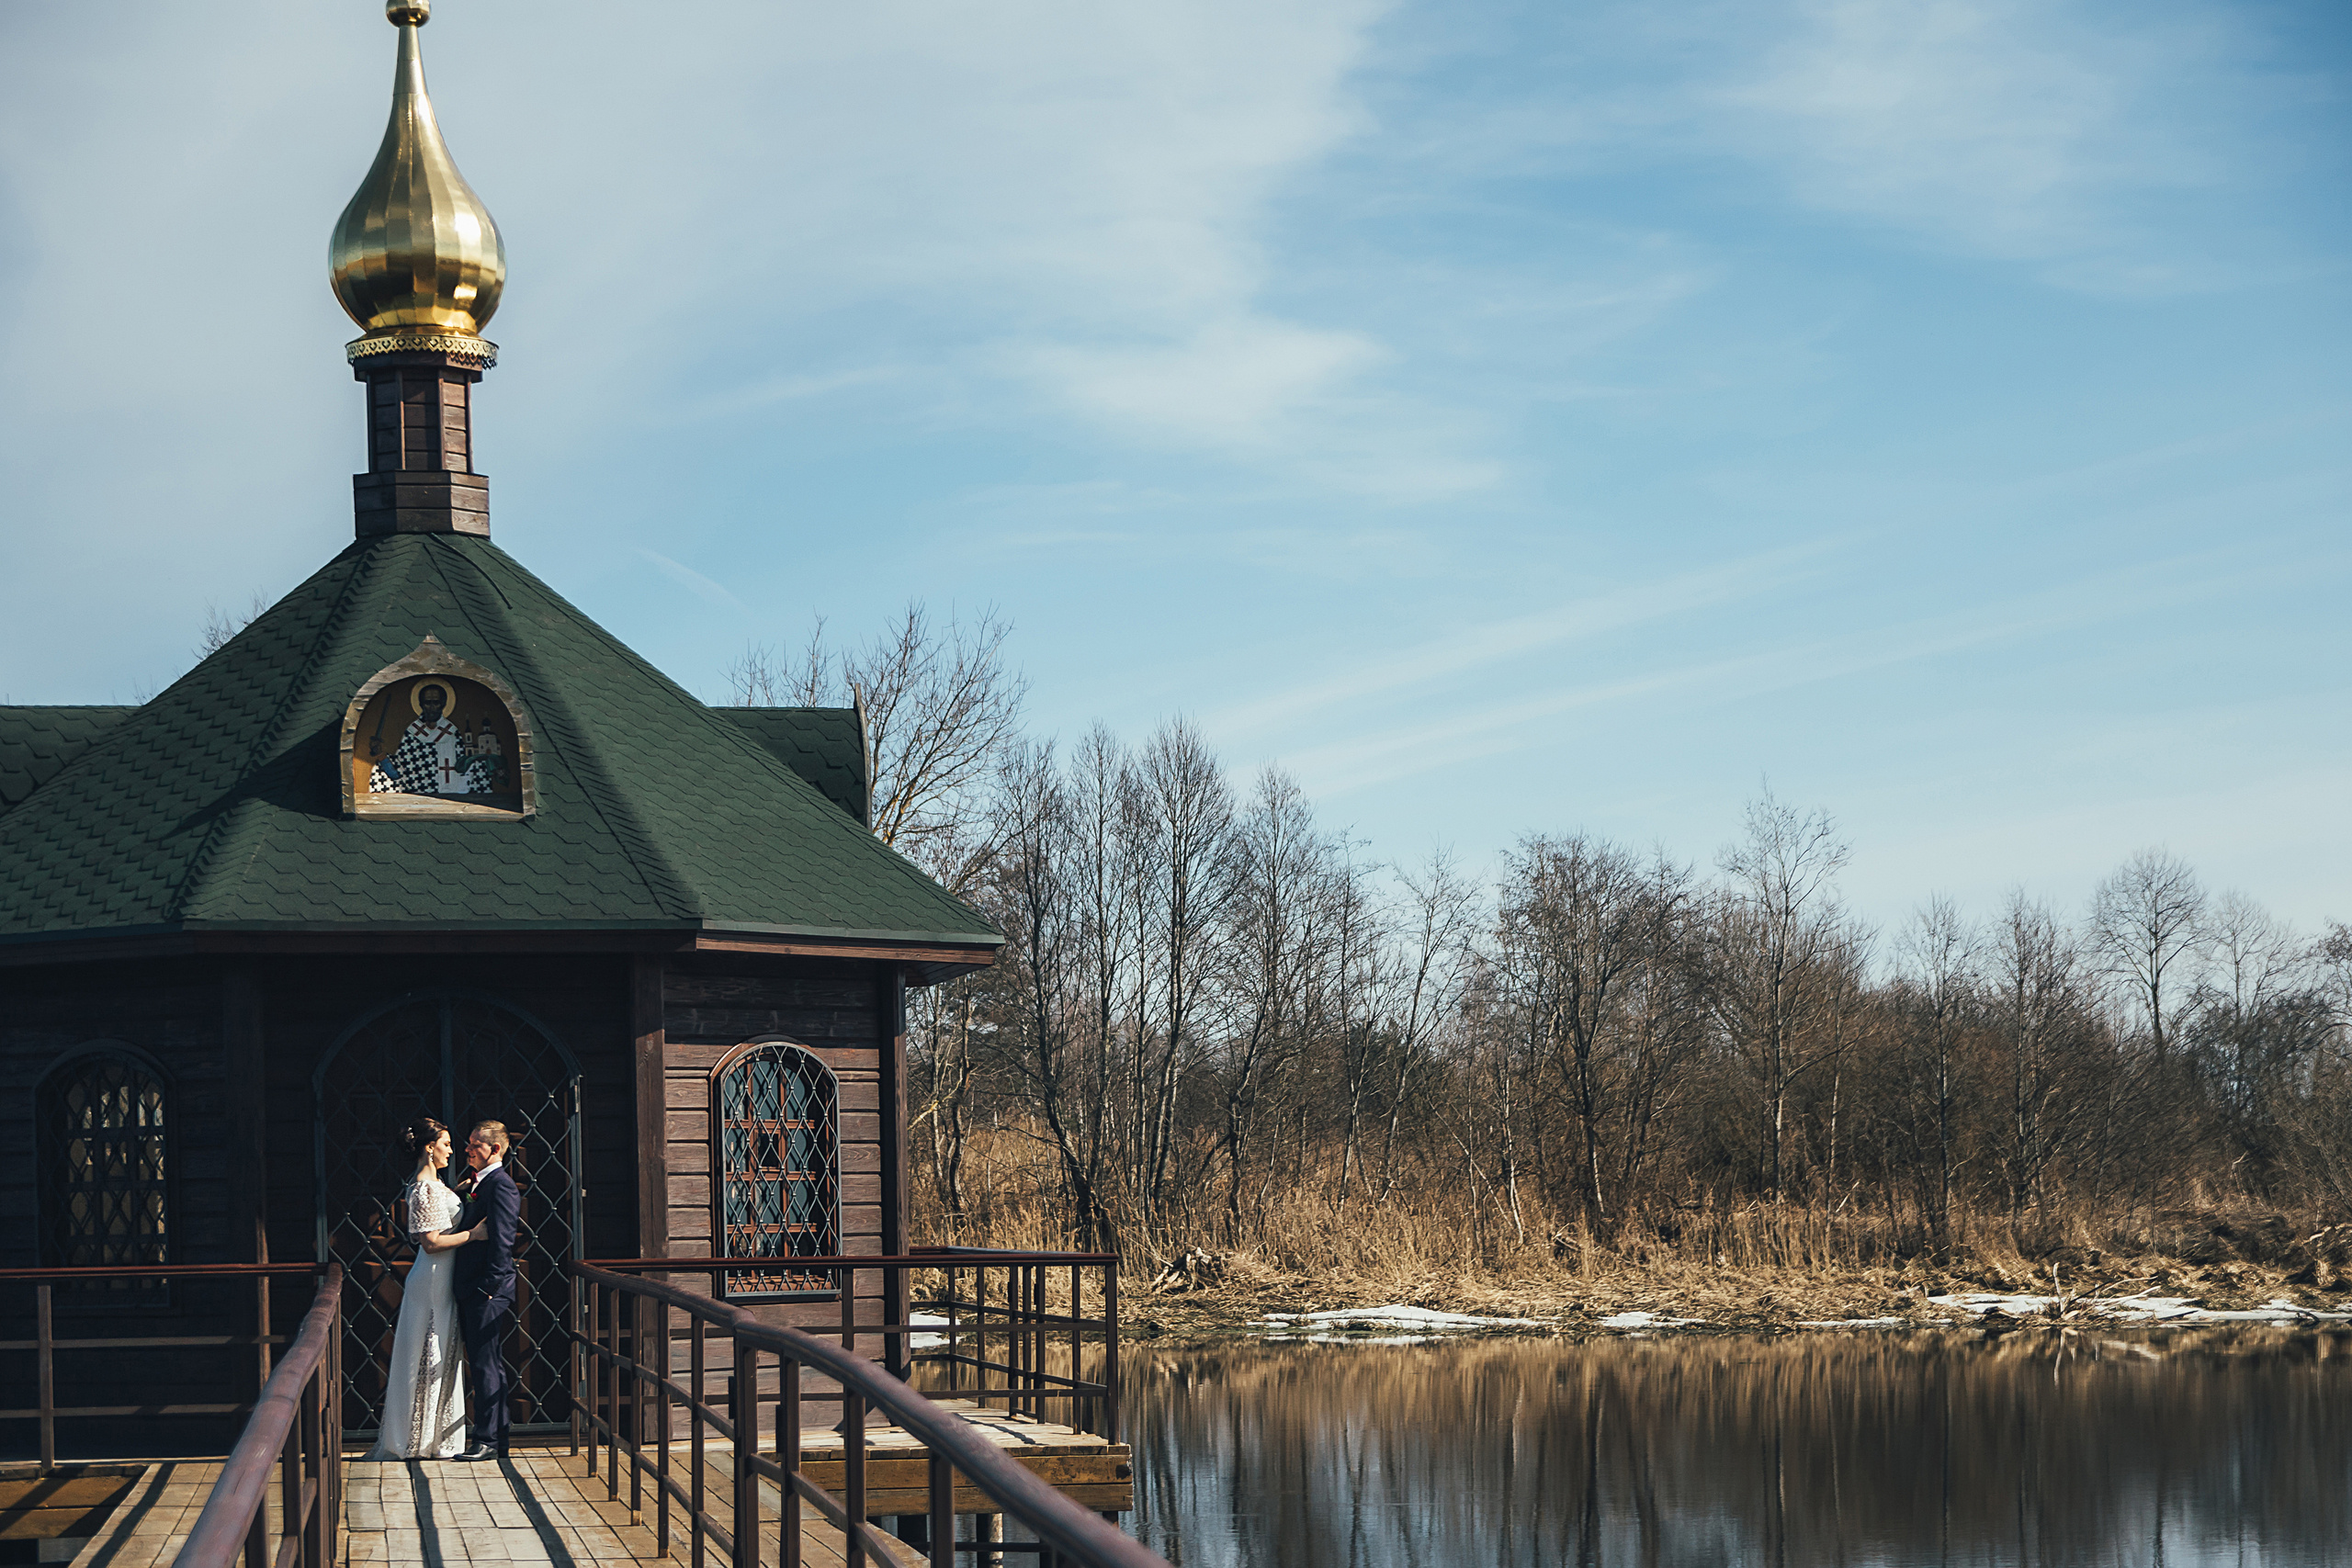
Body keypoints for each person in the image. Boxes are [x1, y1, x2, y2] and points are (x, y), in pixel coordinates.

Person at [365, 1118, 483, 1460]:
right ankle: (415, 1440)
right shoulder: (424, 1187)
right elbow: (430, 1243)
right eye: (446, 1144)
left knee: (441, 1349)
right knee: (428, 1350)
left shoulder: (437, 1184)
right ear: (429, 1147)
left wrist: (461, 1193)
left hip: (442, 1278)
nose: (451, 1150)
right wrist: (473, 1235)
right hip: (431, 1277)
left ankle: (434, 1437)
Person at [453, 1120, 521, 1461]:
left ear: (495, 1149)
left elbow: (503, 1240)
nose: (467, 1150)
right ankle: (497, 1438)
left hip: (486, 1289)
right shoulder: (479, 1183)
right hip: (473, 1286)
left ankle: (489, 1441)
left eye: (475, 1144)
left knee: (485, 1365)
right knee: (486, 1363)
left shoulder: (501, 1186)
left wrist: (490, 1288)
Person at [368, 681, 496, 796]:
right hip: (418, 791)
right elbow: (401, 770)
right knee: (378, 770)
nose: (432, 707)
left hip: (450, 791)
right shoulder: (413, 732)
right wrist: (381, 755)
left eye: (436, 703)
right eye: (427, 703)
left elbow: (462, 763)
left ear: (443, 704)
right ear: (421, 704)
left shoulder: (451, 731)